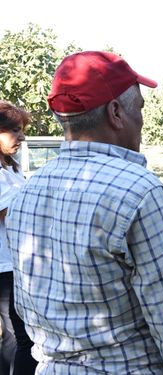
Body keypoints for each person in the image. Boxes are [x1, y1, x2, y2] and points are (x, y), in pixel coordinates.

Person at [5, 51, 163, 374]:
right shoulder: (139, 191)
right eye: (141, 109)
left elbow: (26, 308)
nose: (143, 121)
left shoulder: (27, 192)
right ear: (116, 112)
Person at [0, 101, 37, 375]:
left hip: (17, 261)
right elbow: (12, 211)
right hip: (4, 266)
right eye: (14, 130)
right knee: (20, 338)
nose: (21, 137)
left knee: (17, 336)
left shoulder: (10, 167)